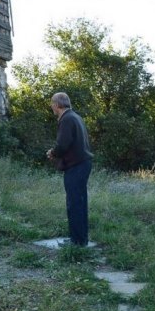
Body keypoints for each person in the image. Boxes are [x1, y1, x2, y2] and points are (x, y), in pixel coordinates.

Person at [46, 92, 93, 247]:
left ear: (58, 104)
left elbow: (63, 145)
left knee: (74, 203)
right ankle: (80, 239)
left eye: (52, 103)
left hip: (76, 166)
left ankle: (77, 242)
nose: (51, 106)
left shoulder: (66, 119)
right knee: (79, 202)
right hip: (82, 164)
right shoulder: (75, 116)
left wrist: (52, 153)